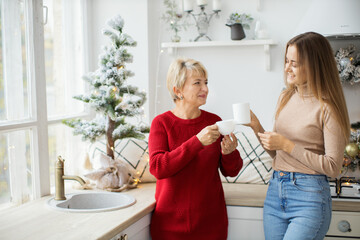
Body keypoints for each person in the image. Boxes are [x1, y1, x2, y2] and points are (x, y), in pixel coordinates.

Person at [247, 32, 350, 240]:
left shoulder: (328, 107)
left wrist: (287, 144)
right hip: (276, 190)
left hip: (309, 197)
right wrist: (256, 126)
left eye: (294, 63)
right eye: (286, 61)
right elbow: (277, 154)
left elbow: (333, 167)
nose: (286, 68)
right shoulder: (286, 96)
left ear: (314, 65)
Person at [148, 57, 243, 240]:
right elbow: (158, 167)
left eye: (206, 83)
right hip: (169, 226)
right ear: (178, 90)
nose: (205, 89)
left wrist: (229, 153)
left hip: (211, 224)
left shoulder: (213, 121)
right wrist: (197, 142)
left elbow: (232, 171)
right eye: (197, 83)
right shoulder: (161, 123)